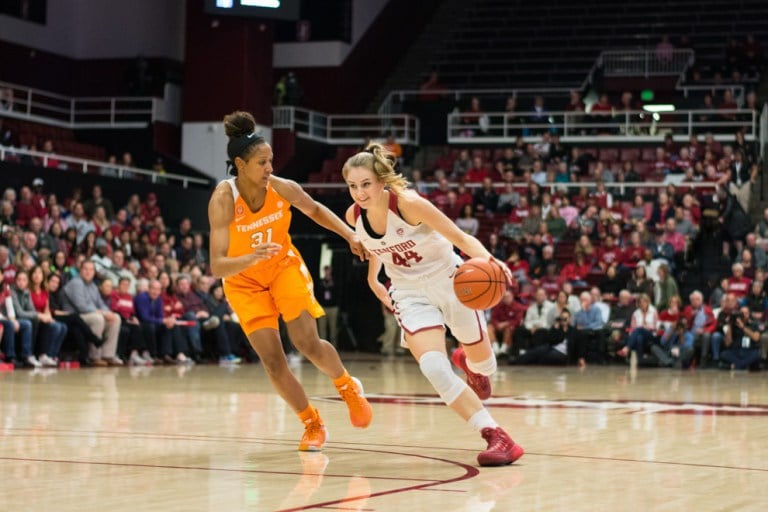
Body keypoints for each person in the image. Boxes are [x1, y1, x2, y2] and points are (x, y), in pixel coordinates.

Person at [342, 142, 523, 467]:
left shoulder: (410, 204)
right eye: (353, 186)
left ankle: (473, 365)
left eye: (366, 183)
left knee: (485, 365)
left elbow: (460, 238)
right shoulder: (353, 215)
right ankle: (496, 435)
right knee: (435, 369)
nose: (359, 192)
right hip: (408, 291)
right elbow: (375, 246)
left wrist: (492, 260)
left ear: (382, 181)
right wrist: (374, 279)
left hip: (451, 280)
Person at [208, 110, 371, 452]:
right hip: (243, 281)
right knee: (272, 361)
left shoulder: (281, 189)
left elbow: (314, 210)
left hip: (282, 267)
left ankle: (346, 386)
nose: (270, 169)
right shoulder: (224, 200)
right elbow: (217, 266)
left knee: (306, 343)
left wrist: (350, 235)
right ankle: (312, 423)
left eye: (271, 161)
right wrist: (251, 258)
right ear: (240, 164)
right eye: (262, 163)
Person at [61, 260, 123, 366]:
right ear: (81, 270)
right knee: (97, 318)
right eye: (85, 269)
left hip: (89, 314)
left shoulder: (93, 286)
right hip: (75, 315)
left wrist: (108, 312)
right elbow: (81, 307)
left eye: (91, 270)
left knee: (116, 318)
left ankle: (108, 355)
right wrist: (102, 313)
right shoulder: (76, 283)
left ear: (94, 272)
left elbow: (100, 303)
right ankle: (94, 356)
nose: (88, 272)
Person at [315, 265, 340, 347]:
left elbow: (338, 293)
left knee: (333, 327)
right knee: (322, 328)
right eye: (325, 270)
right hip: (323, 307)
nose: (327, 272)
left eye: (328, 270)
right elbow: (317, 294)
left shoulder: (335, 281)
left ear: (331, 271)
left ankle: (333, 346)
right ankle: (323, 346)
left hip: (333, 307)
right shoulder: (320, 282)